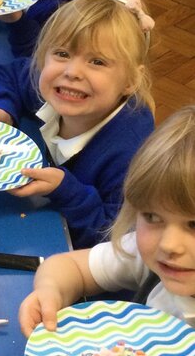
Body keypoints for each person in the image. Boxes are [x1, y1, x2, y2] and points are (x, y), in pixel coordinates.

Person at [0, 0, 155, 249]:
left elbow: (115, 241)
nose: (72, 72)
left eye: (97, 61)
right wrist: (3, 107)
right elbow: (11, 75)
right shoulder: (53, 88)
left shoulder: (130, 154)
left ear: (130, 81)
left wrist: (65, 190)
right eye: (61, 54)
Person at [18, 105, 195, 336]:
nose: (168, 244)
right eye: (152, 217)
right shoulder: (146, 258)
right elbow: (71, 267)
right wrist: (50, 292)